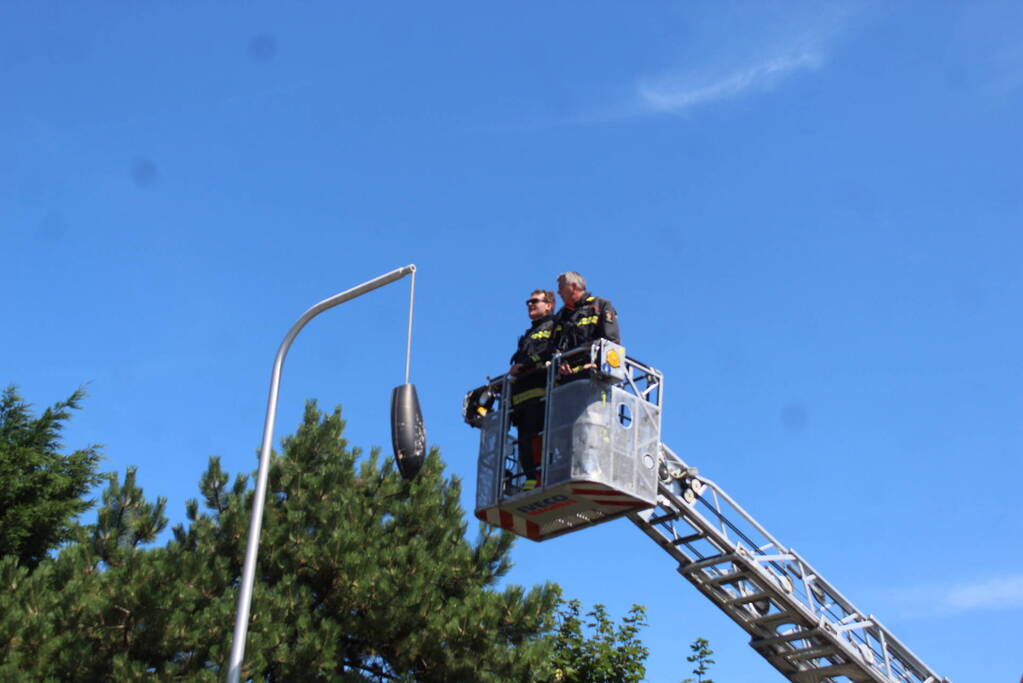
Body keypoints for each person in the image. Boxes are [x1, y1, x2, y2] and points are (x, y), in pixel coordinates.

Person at [509, 289, 556, 491]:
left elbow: (551, 352)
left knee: (539, 439)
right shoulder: (527, 335)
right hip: (520, 399)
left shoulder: (554, 326)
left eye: (535, 301)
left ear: (549, 305)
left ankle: (541, 478)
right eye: (528, 301)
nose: (530, 304)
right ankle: (530, 482)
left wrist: (526, 365)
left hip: (540, 395)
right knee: (525, 443)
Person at [553, 271, 620, 378]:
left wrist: (597, 365)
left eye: (561, 287)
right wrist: (559, 366)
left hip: (593, 377)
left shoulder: (600, 305)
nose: (558, 292)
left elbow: (612, 341)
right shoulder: (561, 316)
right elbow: (554, 347)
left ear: (573, 286)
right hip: (565, 381)